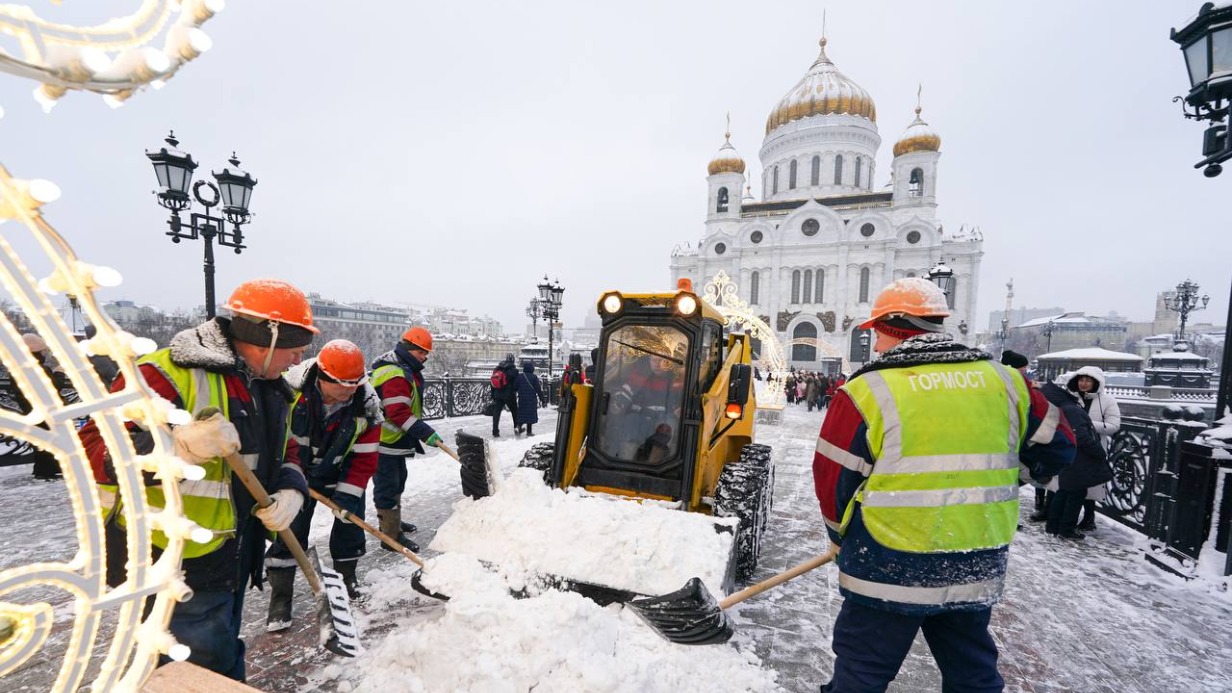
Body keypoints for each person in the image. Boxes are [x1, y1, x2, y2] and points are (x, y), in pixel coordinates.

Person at [813, 278, 1075, 692]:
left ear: (894, 326)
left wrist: (841, 534)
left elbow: (833, 478)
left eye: (878, 333)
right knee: (972, 670)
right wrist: (1007, 479)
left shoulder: (868, 389)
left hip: (889, 559)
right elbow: (1059, 450)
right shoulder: (1007, 382)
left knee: (861, 673)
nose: (876, 346)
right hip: (974, 553)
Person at [80, 279, 316, 681]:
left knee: (219, 645)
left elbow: (287, 451)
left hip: (233, 549)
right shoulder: (165, 372)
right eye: (294, 351)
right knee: (191, 665)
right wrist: (176, 449)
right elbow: (92, 447)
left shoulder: (273, 390)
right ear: (267, 338)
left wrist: (292, 489)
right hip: (170, 556)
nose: (296, 363)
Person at [265, 339, 381, 631]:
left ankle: (346, 578)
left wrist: (347, 497)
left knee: (350, 523)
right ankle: (281, 598)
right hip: (294, 471)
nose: (350, 389)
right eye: (343, 383)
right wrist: (289, 479)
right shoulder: (288, 394)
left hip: (340, 471)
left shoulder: (366, 407)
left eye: (356, 382)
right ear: (322, 376)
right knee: (289, 533)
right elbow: (274, 440)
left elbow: (365, 459)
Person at [370, 326, 442, 554]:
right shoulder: (395, 374)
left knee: (398, 480)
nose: (425, 358)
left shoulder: (402, 368)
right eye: (422, 353)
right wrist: (425, 432)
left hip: (394, 440)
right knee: (388, 486)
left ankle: (393, 521)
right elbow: (398, 412)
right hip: (383, 440)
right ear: (411, 349)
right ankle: (389, 536)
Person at [1039, 373, 1111, 540]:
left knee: (1063, 491)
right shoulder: (1071, 409)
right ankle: (1066, 529)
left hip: (1065, 454)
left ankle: (1053, 526)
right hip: (1078, 458)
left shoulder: (1060, 407)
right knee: (1076, 493)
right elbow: (1081, 436)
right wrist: (1099, 452)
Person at [1067, 366, 1121, 531]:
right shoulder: (1071, 398)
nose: (1083, 384)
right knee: (1069, 483)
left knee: (1089, 484)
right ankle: (1068, 518)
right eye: (1081, 380)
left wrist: (1087, 425)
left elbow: (1114, 425)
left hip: (1091, 447)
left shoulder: (1107, 401)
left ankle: (1089, 517)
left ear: (1096, 382)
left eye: (1088, 380)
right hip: (1071, 446)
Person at [20, 333, 79, 480]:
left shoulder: (21, 367)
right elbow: (52, 388)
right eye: (43, 351)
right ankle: (48, 470)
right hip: (45, 410)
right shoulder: (38, 369)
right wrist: (59, 373)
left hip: (31, 409)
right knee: (50, 439)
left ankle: (42, 470)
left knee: (41, 439)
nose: (45, 354)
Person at [489, 353, 519, 437]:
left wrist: (493, 394)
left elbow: (492, 382)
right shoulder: (514, 370)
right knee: (514, 411)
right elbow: (516, 384)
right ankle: (516, 428)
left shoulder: (498, 369)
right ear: (513, 360)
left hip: (498, 394)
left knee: (497, 413)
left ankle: (495, 431)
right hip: (509, 395)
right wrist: (515, 391)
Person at [514, 361, 547, 436]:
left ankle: (518, 426)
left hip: (522, 399)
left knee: (522, 414)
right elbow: (538, 390)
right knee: (530, 415)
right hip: (531, 399)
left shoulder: (520, 376)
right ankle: (529, 432)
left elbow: (515, 388)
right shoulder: (534, 377)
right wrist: (543, 400)